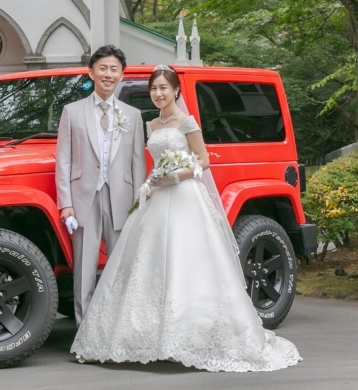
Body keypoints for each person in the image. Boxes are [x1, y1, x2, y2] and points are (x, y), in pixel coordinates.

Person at [70, 65, 301, 372]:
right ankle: (151, 335)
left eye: (164, 88)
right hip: (156, 196)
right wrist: (152, 182)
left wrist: (177, 175)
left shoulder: (186, 121)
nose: (158, 93)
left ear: (176, 90)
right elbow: (150, 162)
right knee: (149, 263)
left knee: (186, 260)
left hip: (184, 196)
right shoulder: (151, 125)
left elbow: (203, 159)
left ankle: (193, 334)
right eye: (154, 89)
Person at [56, 45, 147, 325]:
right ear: (92, 72)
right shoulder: (72, 112)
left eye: (114, 69)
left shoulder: (132, 115)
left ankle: (119, 327)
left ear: (122, 75)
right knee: (84, 267)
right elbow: (64, 161)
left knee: (122, 264)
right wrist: (66, 204)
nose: (108, 74)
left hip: (121, 198)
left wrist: (138, 204)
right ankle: (85, 330)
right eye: (103, 68)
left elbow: (137, 164)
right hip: (84, 198)